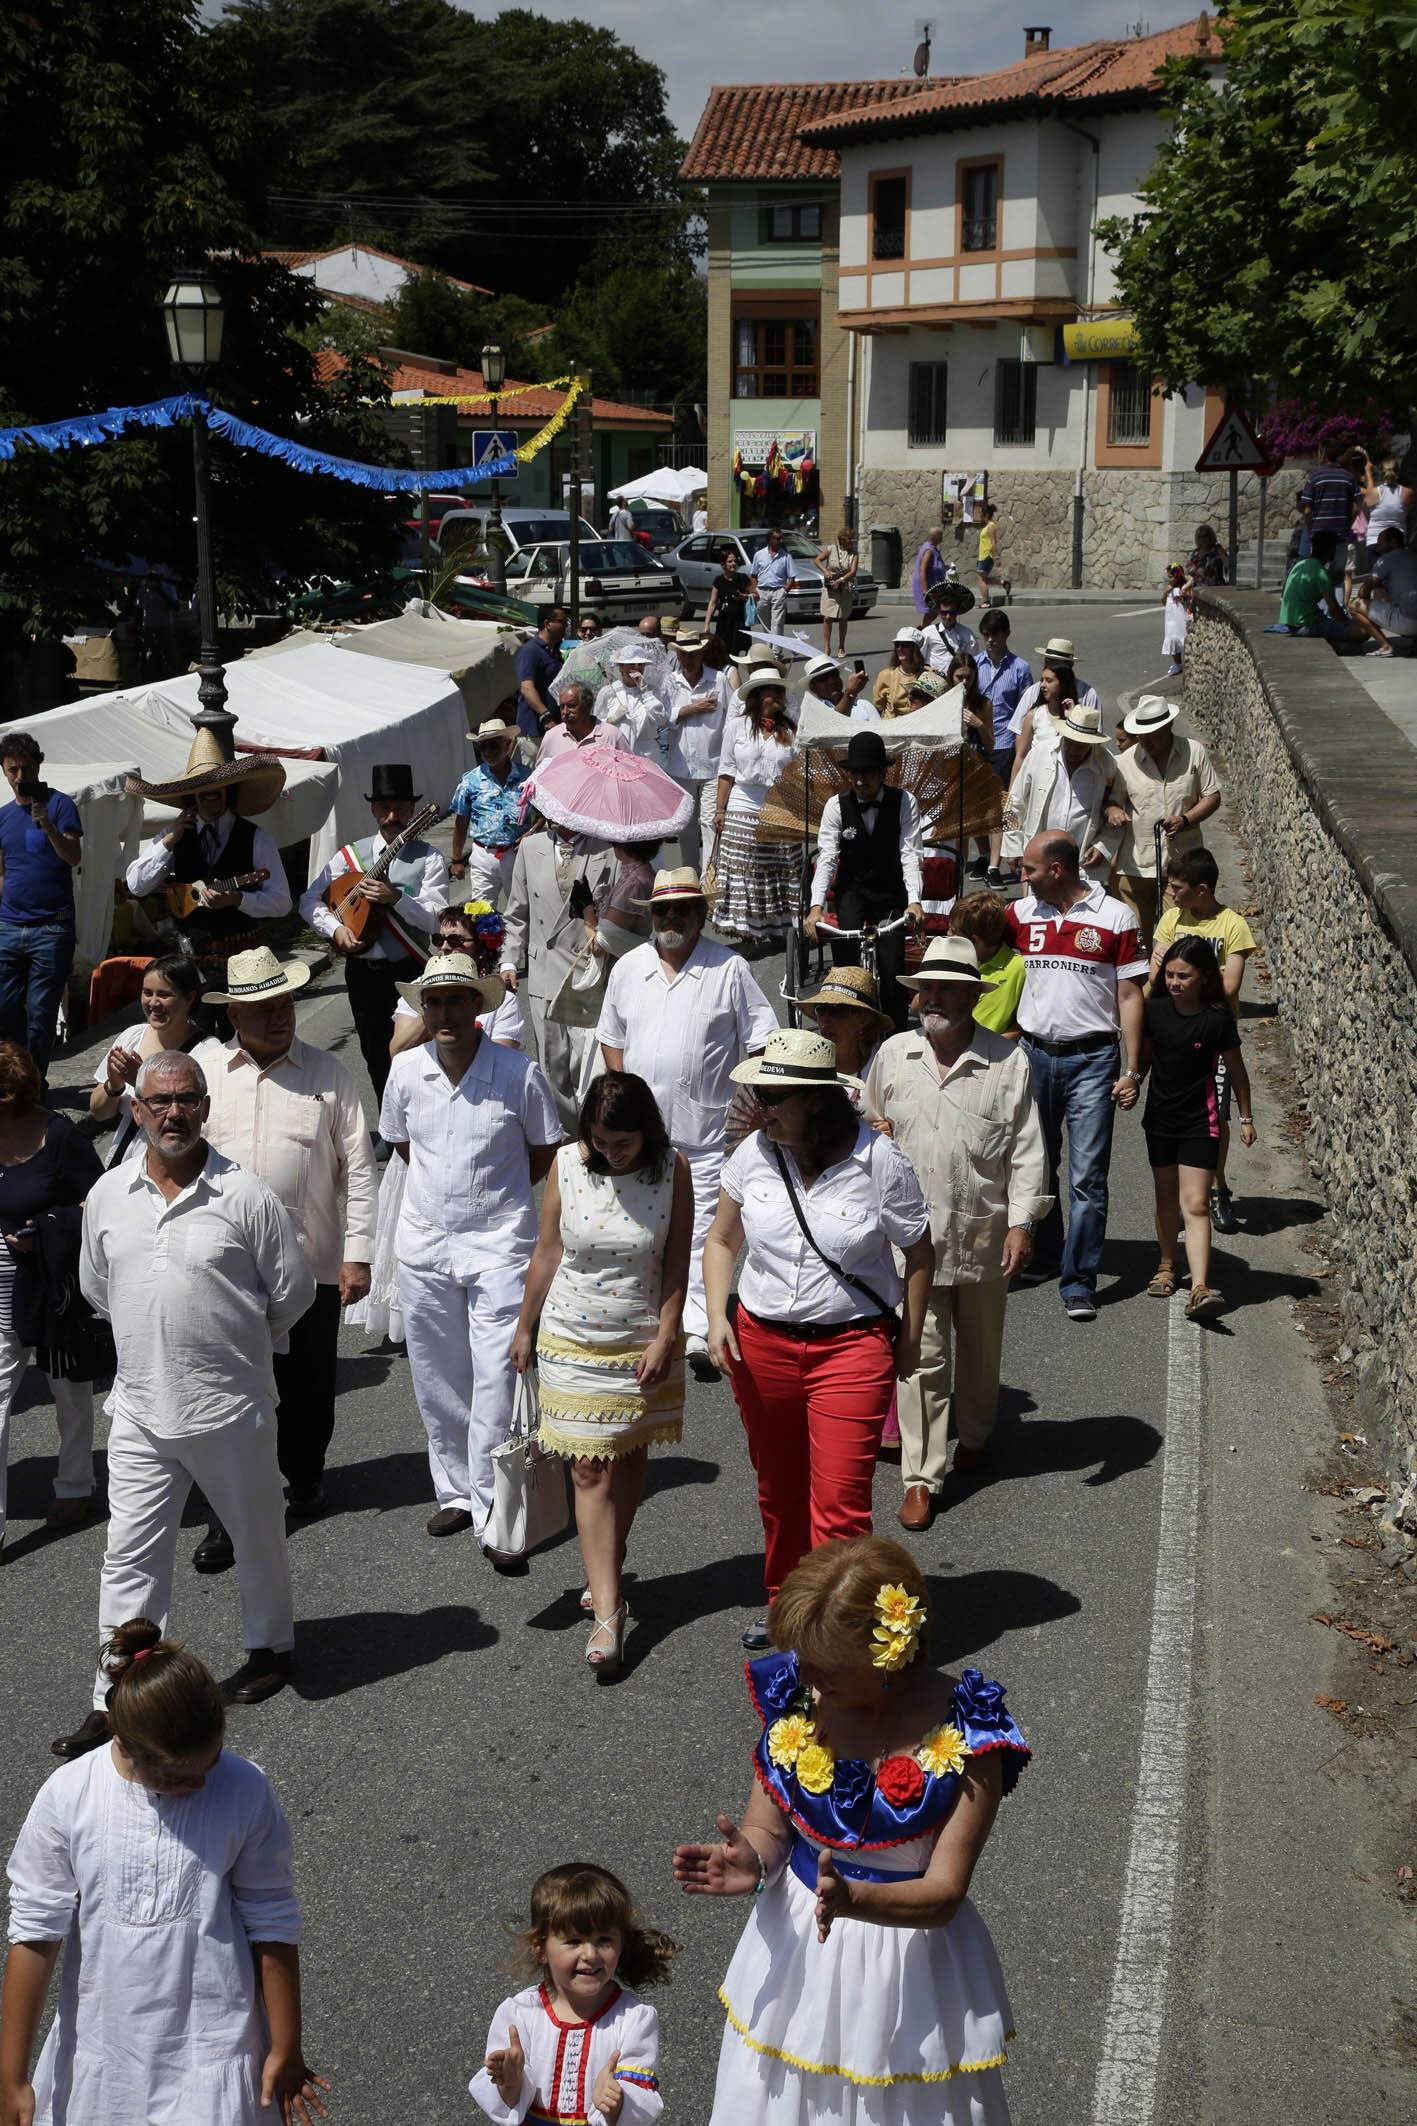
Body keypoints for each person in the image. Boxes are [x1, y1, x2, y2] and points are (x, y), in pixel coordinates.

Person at [672, 1535, 1029, 2125]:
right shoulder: (799, 1695)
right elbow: (769, 1826)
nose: (807, 1676)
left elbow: (944, 1894)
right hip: (796, 1953)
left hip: (907, 1968)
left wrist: (851, 1898)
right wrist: (753, 1863)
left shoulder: (970, 1735)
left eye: (829, 1666)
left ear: (890, 1654)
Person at [53, 1050, 315, 1759]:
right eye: (158, 1101)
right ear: (136, 1110)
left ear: (204, 1106)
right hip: (139, 1408)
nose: (174, 1113)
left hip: (230, 1407)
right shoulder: (108, 1193)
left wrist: (232, 1348)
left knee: (258, 1537)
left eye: (187, 1099)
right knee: (128, 1558)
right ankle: (115, 1697)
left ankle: (269, 1649)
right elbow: (98, 1286)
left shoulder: (247, 1195)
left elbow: (292, 1293)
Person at [3, 1618, 325, 2126]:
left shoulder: (244, 1789)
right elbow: (36, 1934)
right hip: (103, 2063)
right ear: (123, 1743)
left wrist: (286, 2046)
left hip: (213, 2057)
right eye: (175, 1777)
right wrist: (11, 2075)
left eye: (209, 1764)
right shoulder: (68, 1796)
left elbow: (272, 1921)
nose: (198, 1785)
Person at [702, 1030, 932, 1643]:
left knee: (841, 1505)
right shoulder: (753, 1153)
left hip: (852, 1348)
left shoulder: (879, 1161)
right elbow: (722, 1240)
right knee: (778, 1491)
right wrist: (717, 1317)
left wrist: (909, 1335)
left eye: (774, 1095)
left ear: (816, 1101)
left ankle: (839, 1628)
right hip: (762, 1345)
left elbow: (920, 1252)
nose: (760, 1105)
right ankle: (786, 1605)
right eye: (759, 1091)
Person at [378, 954, 560, 1558]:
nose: (445, 1013)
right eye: (434, 1003)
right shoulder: (405, 1072)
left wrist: (493, 1202)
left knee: (497, 1375)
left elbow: (542, 1153)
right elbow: (404, 1146)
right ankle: (455, 1491)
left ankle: (496, 1504)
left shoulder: (517, 1073)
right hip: (426, 1241)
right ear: (423, 1011)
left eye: (457, 1000)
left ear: (479, 1006)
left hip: (501, 1242)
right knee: (436, 1376)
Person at [866, 939, 1050, 1529]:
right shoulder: (894, 1055)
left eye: (947, 988)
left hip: (982, 1235)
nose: (933, 998)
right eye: (927, 987)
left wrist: (1022, 1221)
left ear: (974, 995)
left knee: (979, 1351)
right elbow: (862, 1134)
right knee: (921, 1351)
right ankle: (921, 1475)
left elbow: (1026, 1151)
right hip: (908, 1242)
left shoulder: (1006, 1062)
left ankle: (974, 1432)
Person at [192, 947, 376, 1532]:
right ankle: (231, 1514)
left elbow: (362, 1172)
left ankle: (304, 1476)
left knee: (307, 1387)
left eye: (285, 1002)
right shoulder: (204, 1071)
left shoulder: (329, 1074)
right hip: (220, 1271)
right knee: (227, 1392)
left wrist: (358, 1256)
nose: (279, 1016)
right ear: (234, 1018)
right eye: (263, 1007)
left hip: (308, 1265)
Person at [512, 1073, 691, 1672]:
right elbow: (546, 1251)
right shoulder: (567, 1164)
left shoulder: (673, 1171)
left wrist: (668, 1334)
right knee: (589, 1467)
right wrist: (524, 1326)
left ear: (648, 1132)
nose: (611, 1154)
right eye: (601, 1142)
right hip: (570, 1336)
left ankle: (606, 1562)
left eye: (623, 1143)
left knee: (630, 1457)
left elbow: (675, 1263)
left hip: (640, 1340)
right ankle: (608, 1615)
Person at [597, 868, 777, 1375]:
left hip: (706, 1135)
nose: (671, 917)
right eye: (662, 909)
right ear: (650, 915)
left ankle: (697, 1328)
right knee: (641, 1227)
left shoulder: (730, 968)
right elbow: (611, 1034)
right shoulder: (629, 968)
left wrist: (756, 1098)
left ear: (700, 913)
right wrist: (622, 1093)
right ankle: (646, 1322)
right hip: (641, 1136)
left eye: (681, 908)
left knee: (699, 1233)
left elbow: (762, 1035)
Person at [351, 903, 524, 1349]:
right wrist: (433, 1014)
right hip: (425, 1142)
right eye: (439, 940)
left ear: (479, 947)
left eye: (456, 940)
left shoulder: (502, 1002)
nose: (444, 946)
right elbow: (395, 1050)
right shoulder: (419, 1001)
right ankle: (418, 1320)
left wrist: (464, 1021)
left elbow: (503, 1062)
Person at [1006, 833, 1146, 1322]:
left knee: (1087, 1178)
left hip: (1093, 1061)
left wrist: (1132, 1068)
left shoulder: (1116, 918)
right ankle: (1045, 1258)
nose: (1023, 878)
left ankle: (1080, 1281)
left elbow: (1130, 996)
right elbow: (986, 955)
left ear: (1058, 870)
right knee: (1036, 1166)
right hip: (1033, 1056)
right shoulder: (1022, 915)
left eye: (1030, 870)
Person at [470, 1862, 673, 2126]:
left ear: (621, 1943)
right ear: (540, 1947)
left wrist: (614, 2103)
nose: (590, 1955)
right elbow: (507, 2104)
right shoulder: (520, 2014)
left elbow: (638, 2105)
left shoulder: (634, 2019)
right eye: (574, 1941)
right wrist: (511, 2082)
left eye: (604, 1940)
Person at [0, 1041, 104, 1556]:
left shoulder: (57, 1134)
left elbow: (102, 1204)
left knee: (69, 1395)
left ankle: (74, 1485)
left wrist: (46, 1231)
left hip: (51, 1287)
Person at [300, 763, 448, 1106]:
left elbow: (437, 919)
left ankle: (426, 1121)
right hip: (363, 973)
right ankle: (390, 1126)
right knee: (374, 1052)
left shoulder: (429, 858)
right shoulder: (349, 856)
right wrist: (335, 928)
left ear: (413, 810)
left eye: (400, 808)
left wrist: (397, 898)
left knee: (419, 1052)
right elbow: (308, 901)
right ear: (373, 810)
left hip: (409, 970)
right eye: (385, 807)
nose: (393, 815)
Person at [1141, 937, 1254, 1320]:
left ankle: (1200, 1287)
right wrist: (1129, 1080)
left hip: (1199, 1123)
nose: (1174, 982)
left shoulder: (1217, 1019)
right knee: (1165, 1199)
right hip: (1159, 1119)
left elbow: (1237, 1070)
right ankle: (1167, 1264)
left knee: (1197, 1203)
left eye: (1183, 976)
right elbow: (1141, 1062)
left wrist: (1246, 1117)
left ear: (1204, 977)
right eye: (1170, 974)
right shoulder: (1154, 1011)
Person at [124, 732, 291, 980]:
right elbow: (136, 886)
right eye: (202, 788)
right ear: (192, 794)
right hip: (191, 963)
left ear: (229, 789)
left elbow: (282, 902)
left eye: (216, 786)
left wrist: (239, 900)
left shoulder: (256, 837)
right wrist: (170, 840)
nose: (209, 793)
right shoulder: (175, 834)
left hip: (245, 960)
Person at [1149, 846, 1256, 1233]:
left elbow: (1230, 986)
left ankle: (1216, 1187)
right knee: (1174, 1113)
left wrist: (1180, 980)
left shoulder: (1232, 926)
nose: (1171, 894)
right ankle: (1186, 1192)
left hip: (1212, 1035)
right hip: (1172, 1034)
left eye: (1177, 887)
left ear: (1202, 889)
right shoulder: (1170, 919)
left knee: (1216, 1117)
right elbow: (1154, 980)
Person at [500, 820, 616, 1135]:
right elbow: (516, 912)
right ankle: (572, 1136)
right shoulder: (529, 846)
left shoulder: (607, 847)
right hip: (543, 974)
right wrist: (509, 960)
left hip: (588, 975)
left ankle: (593, 1139)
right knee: (553, 1068)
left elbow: (618, 913)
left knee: (589, 1067)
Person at [806, 729, 925, 1034]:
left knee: (892, 968)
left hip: (890, 894)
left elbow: (910, 853)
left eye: (868, 773)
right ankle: (845, 1033)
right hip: (852, 894)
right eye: (855, 774)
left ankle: (896, 1037)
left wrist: (914, 900)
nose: (860, 781)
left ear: (884, 771)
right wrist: (816, 906)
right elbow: (827, 858)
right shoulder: (836, 805)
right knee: (846, 969)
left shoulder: (904, 802)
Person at [0, 733, 83, 1084]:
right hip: (9, 926)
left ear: (38, 766)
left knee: (40, 1014)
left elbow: (73, 856)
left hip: (52, 927)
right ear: (4, 772)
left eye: (26, 768)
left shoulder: (61, 805)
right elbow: (2, 871)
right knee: (4, 1011)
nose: (20, 777)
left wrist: (47, 825)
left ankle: (33, 1087)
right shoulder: (3, 817)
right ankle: (18, 1079)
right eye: (13, 770)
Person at [1109, 697, 1222, 941]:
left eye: (1151, 734)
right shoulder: (1124, 762)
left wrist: (1186, 819)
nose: (1145, 740)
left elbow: (1212, 796)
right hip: (1136, 865)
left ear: (1167, 727)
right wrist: (1114, 811)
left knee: (1181, 938)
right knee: (1136, 941)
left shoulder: (1194, 752)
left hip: (1183, 866)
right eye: (1140, 734)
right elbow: (1111, 802)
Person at [90, 952, 203, 1163]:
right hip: (123, 1161)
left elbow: (201, 1124)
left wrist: (141, 1081)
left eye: (164, 995)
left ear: (189, 998)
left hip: (170, 1165)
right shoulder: (132, 1037)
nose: (153, 1003)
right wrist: (114, 1086)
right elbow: (98, 1112)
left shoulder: (206, 1053)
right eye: (147, 993)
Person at [711, 668, 797, 944]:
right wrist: (720, 810)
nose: (779, 697)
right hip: (742, 803)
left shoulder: (790, 728)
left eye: (780, 692)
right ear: (759, 696)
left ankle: (778, 927)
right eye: (774, 692)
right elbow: (726, 771)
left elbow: (798, 774)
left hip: (780, 807)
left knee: (780, 868)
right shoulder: (737, 726)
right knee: (744, 868)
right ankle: (748, 931)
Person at [1004, 701, 1119, 886]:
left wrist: (1103, 847)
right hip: (1039, 863)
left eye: (1081, 745)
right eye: (1070, 742)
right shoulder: (1040, 753)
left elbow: (1117, 809)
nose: (1073, 750)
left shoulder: (1107, 765)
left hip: (1082, 868)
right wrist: (1013, 848)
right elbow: (1014, 802)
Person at [652, 630, 737, 873]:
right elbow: (660, 719)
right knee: (686, 825)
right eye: (682, 655)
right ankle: (691, 873)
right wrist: (690, 709)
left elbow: (733, 718)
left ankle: (712, 875)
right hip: (680, 766)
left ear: (701, 654)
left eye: (691, 655)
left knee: (710, 822)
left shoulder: (718, 679)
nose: (687, 661)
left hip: (713, 765)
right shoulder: (670, 682)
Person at [449, 717, 534, 904]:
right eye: (482, 747)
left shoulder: (527, 777)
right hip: (483, 855)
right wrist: (456, 859)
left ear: (507, 744)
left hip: (518, 854)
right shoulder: (470, 781)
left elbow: (544, 811)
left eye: (493, 745)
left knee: (522, 910)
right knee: (482, 914)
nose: (487, 752)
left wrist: (532, 832)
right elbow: (461, 821)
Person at [1006, 641, 1100, 786]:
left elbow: (1093, 741)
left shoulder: (1089, 694)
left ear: (1069, 668)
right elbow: (1021, 751)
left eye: (1057, 664)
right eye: (1048, 661)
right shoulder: (1033, 694)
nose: (1050, 666)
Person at [1273, 528, 1370, 642]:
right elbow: (1334, 610)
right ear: (1330, 551)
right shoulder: (1321, 573)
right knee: (1364, 632)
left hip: (1291, 624)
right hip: (1306, 626)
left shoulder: (1301, 565)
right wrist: (1347, 625)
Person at [950, 891, 1026, 1036]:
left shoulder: (1019, 968)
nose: (948, 934)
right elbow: (917, 1007)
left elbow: (1023, 1023)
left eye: (954, 931)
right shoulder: (952, 960)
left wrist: (993, 1046)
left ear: (973, 940)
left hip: (992, 1053)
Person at [535, 679, 631, 765]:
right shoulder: (551, 737)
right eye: (561, 706)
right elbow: (539, 775)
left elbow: (630, 769)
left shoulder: (612, 736)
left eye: (571, 706)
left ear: (587, 706)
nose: (565, 712)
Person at [1351, 525, 1417, 650]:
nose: (1376, 548)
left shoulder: (1386, 559)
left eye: (1380, 544)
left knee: (1355, 605)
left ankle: (1385, 646)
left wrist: (1366, 595)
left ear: (1392, 542)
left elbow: (1364, 591)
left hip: (1408, 621)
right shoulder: (1413, 556)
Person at [1298, 440, 1359, 572]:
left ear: (1326, 456)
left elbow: (1307, 511)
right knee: (1337, 578)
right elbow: (1355, 509)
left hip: (1318, 538)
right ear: (1340, 457)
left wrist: (1311, 530)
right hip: (1339, 536)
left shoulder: (1314, 477)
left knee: (1315, 575)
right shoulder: (1349, 478)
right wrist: (1347, 527)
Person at [597, 643, 667, 752]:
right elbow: (597, 726)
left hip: (647, 752)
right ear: (621, 667)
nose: (636, 668)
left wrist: (646, 693)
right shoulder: (608, 692)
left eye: (640, 664)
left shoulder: (653, 691)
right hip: (618, 751)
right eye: (632, 664)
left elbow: (661, 720)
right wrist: (611, 720)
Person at [514, 609, 567, 741]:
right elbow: (527, 688)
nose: (565, 626)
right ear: (547, 624)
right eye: (562, 622)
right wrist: (546, 717)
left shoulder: (555, 654)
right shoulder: (530, 650)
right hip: (534, 733)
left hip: (554, 729)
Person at [814, 525, 858, 656]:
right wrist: (826, 571)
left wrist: (841, 580)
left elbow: (853, 571)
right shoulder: (831, 549)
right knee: (827, 617)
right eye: (849, 539)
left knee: (843, 618)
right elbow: (817, 560)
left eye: (852, 540)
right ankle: (826, 647)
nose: (851, 542)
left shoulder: (854, 554)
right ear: (842, 539)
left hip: (844, 588)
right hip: (830, 588)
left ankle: (841, 646)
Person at [748, 527, 798, 636]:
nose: (780, 541)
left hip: (778, 592)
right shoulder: (759, 555)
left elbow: (792, 577)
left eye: (781, 538)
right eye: (778, 538)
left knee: (777, 623)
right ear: (770, 539)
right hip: (762, 592)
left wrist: (784, 591)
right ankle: (768, 649)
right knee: (765, 624)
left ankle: (776, 652)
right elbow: (753, 575)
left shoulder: (786, 556)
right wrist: (754, 591)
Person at [704, 546, 752, 658]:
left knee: (736, 655)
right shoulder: (718, 580)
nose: (733, 563)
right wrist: (707, 624)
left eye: (735, 561)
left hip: (740, 623)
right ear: (723, 564)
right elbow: (713, 603)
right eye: (730, 561)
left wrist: (745, 596)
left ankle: (733, 672)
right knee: (721, 653)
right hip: (724, 623)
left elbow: (756, 595)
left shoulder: (743, 578)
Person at [871, 627, 927, 719]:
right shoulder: (886, 675)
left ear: (915, 648)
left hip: (917, 727)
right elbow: (876, 709)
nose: (900, 648)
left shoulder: (926, 675)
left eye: (905, 645)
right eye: (897, 645)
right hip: (891, 728)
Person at [921, 583, 979, 671]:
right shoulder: (928, 633)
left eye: (952, 613)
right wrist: (927, 669)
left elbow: (973, 662)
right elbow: (918, 660)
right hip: (934, 681)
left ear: (957, 612)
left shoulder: (968, 635)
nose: (948, 617)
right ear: (938, 611)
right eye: (944, 613)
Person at [802, 652, 870, 717]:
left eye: (835, 674)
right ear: (813, 687)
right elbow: (836, 724)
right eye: (823, 678)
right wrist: (850, 693)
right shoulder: (811, 713)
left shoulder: (863, 705)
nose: (832, 681)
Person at [912, 524, 947, 619]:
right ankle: (923, 629)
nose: (942, 538)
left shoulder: (931, 547)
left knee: (934, 610)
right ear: (935, 537)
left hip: (933, 584)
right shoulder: (929, 551)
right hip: (927, 585)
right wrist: (925, 590)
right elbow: (922, 570)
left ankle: (923, 629)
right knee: (935, 610)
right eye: (940, 536)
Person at [1162, 563, 1191, 676]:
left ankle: (1188, 662)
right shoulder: (1169, 589)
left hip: (1180, 617)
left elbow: (1187, 600)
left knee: (1183, 638)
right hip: (1170, 619)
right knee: (1172, 639)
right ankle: (1177, 664)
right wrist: (1165, 593)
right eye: (1168, 577)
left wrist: (1182, 595)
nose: (1169, 579)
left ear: (1177, 577)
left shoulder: (1183, 588)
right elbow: (1163, 602)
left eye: (1171, 577)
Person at [975, 502, 1001, 601]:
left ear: (986, 515)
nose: (981, 517)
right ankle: (1002, 583)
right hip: (983, 556)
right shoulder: (988, 526)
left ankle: (986, 601)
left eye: (982, 515)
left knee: (980, 579)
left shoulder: (990, 526)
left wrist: (996, 557)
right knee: (983, 579)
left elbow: (993, 542)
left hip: (986, 556)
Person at [1188, 522, 1228, 588]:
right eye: (1200, 536)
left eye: (1205, 536)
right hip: (1198, 589)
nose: (1202, 539)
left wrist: (1223, 556)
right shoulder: (1196, 552)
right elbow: (1190, 572)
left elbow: (1227, 564)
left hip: (1214, 588)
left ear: (1210, 536)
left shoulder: (1217, 549)